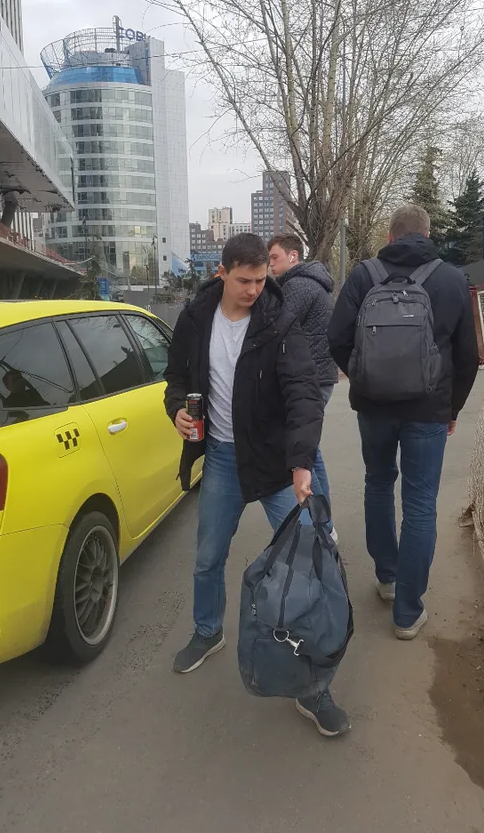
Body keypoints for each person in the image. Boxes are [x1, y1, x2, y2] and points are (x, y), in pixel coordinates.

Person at [165, 232, 350, 736]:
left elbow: (303, 393)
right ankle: (207, 632)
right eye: (244, 280)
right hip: (222, 457)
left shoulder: (277, 318)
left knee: (306, 566)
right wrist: (177, 410)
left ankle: (313, 688)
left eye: (261, 279)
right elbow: (176, 378)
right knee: (207, 556)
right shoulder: (196, 317)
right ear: (222, 273)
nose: (254, 289)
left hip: (273, 462)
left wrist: (302, 462)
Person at [328, 204, 478, 640]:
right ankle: (408, 613)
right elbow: (468, 356)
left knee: (377, 483)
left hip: (374, 408)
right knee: (419, 503)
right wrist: (452, 407)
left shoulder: (363, 275)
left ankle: (388, 578)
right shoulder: (452, 278)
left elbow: (336, 338)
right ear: (427, 234)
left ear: (391, 237)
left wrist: (362, 377)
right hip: (428, 410)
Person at [268, 234, 339, 523]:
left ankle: (322, 524)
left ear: (293, 256)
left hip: (308, 380)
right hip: (320, 377)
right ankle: (325, 521)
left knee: (303, 453)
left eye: (274, 257)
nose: (270, 264)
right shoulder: (311, 283)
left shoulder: (297, 286)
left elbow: (274, 328)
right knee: (310, 451)